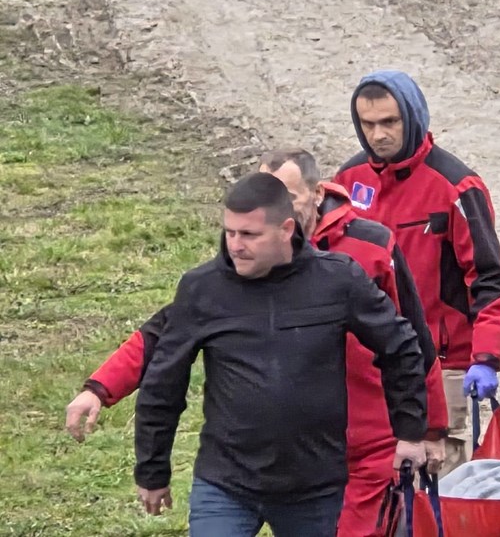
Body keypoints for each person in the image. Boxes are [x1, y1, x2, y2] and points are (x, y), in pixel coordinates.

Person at [66, 148, 448, 536]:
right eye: (231, 232)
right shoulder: (215, 282)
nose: (236, 244)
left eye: (249, 233)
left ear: (310, 200)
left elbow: (409, 343)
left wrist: (424, 429)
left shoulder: (355, 263)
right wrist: (102, 389)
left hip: (340, 464)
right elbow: (163, 349)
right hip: (230, 477)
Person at [334, 70, 500, 473]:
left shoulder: (456, 187)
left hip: (441, 365)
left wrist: (486, 356)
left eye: (389, 122)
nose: (378, 135)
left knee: (435, 483)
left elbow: (490, 279)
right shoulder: (347, 182)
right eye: (368, 124)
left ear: (413, 116)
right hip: (368, 367)